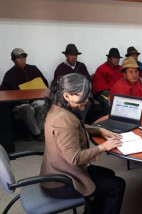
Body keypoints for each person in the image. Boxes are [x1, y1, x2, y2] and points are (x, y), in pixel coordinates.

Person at [40, 73, 125, 214]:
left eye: (87, 95)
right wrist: (103, 147)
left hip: (57, 170)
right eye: (82, 96)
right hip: (61, 181)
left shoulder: (58, 107)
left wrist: (99, 130)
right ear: (67, 95)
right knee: (117, 185)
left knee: (108, 173)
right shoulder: (62, 120)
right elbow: (75, 158)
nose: (86, 100)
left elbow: (75, 128)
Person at [1, 48, 48, 140]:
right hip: (20, 103)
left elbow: (45, 84)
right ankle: (37, 133)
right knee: (27, 109)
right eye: (19, 58)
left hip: (36, 99)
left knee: (42, 104)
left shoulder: (33, 69)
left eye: (24, 57)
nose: (22, 60)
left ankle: (38, 130)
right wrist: (14, 104)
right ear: (13, 60)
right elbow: (5, 93)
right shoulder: (9, 74)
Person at [92, 48, 123, 113]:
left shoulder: (121, 69)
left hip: (118, 93)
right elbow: (100, 86)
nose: (117, 59)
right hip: (104, 93)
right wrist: (114, 93)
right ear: (109, 58)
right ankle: (109, 121)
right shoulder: (101, 69)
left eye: (118, 58)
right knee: (109, 103)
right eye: (114, 57)